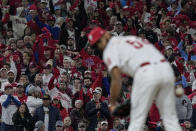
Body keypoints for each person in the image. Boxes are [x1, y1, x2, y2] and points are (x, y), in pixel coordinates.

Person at [88, 27, 182, 131]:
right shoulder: (131, 39)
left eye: (98, 43)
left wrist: (113, 102)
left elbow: (116, 80)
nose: (99, 46)